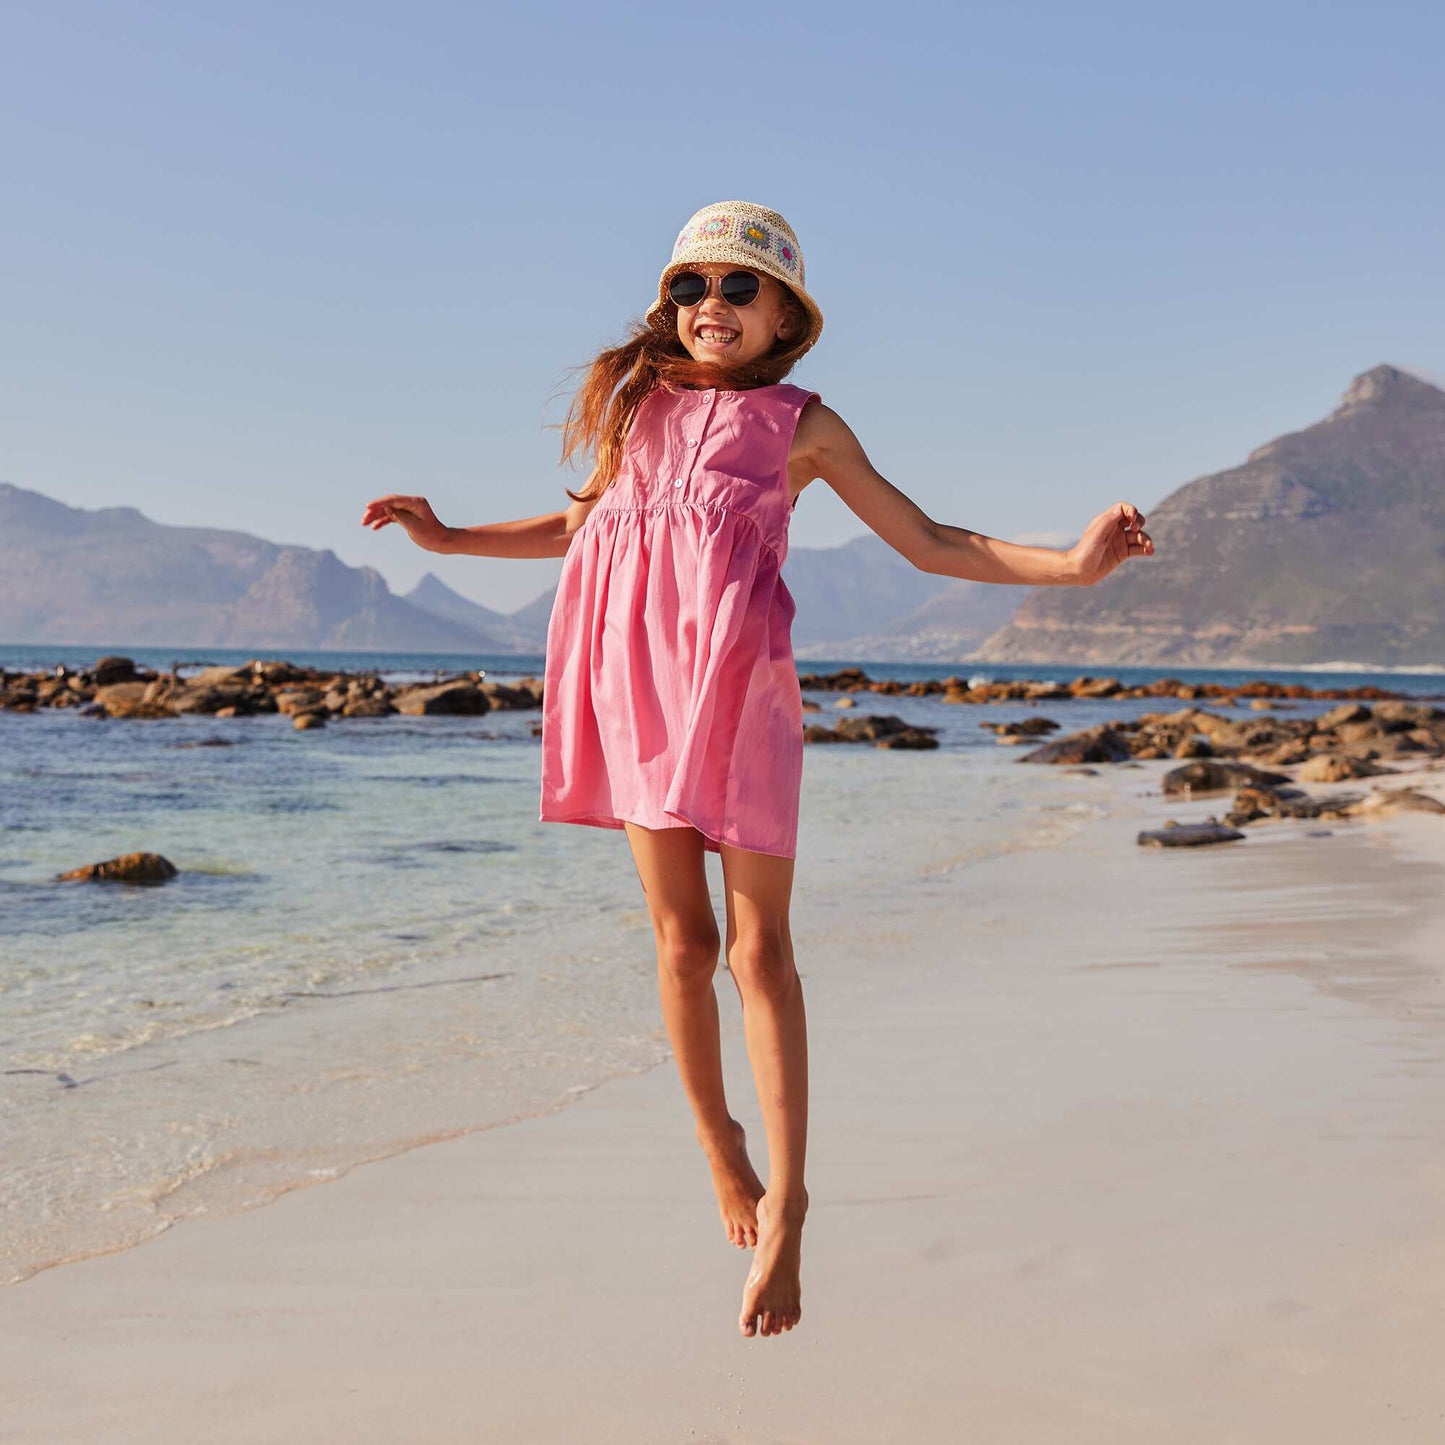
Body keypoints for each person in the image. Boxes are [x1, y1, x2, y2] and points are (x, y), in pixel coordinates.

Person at [360, 200, 1154, 1341]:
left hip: (736, 694)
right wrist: (449, 540)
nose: (710, 306)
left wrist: (1074, 568)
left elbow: (931, 541)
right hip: (636, 688)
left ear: (783, 313)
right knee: (679, 946)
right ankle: (714, 1139)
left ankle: (788, 1203)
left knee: (757, 949)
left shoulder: (803, 426)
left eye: (737, 287)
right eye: (689, 286)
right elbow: (583, 523)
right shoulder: (635, 403)